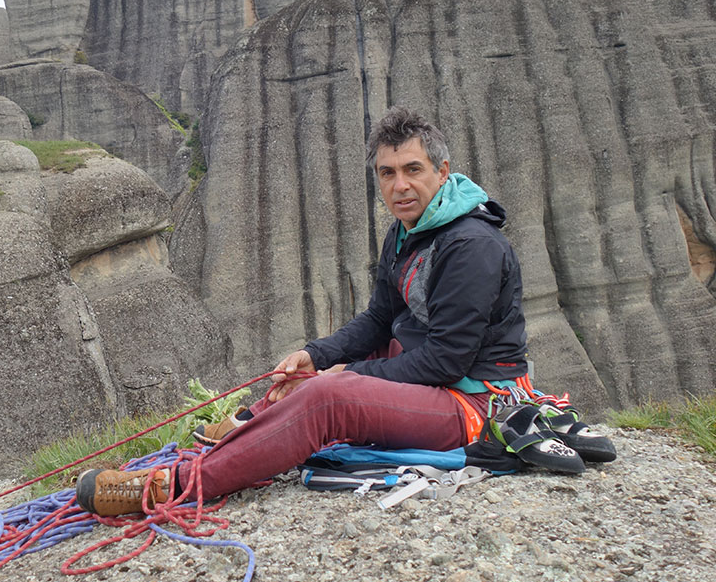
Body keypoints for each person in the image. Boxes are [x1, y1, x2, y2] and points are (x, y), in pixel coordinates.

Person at [76, 106, 536, 517]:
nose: (400, 186)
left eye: (413, 169)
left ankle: (172, 487)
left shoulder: (470, 245)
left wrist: (335, 378)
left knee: (329, 398)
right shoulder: (408, 232)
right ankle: (251, 424)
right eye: (387, 172)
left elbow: (446, 359)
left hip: (478, 404)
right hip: (442, 384)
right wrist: (315, 356)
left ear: (442, 171)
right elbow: (379, 319)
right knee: (335, 367)